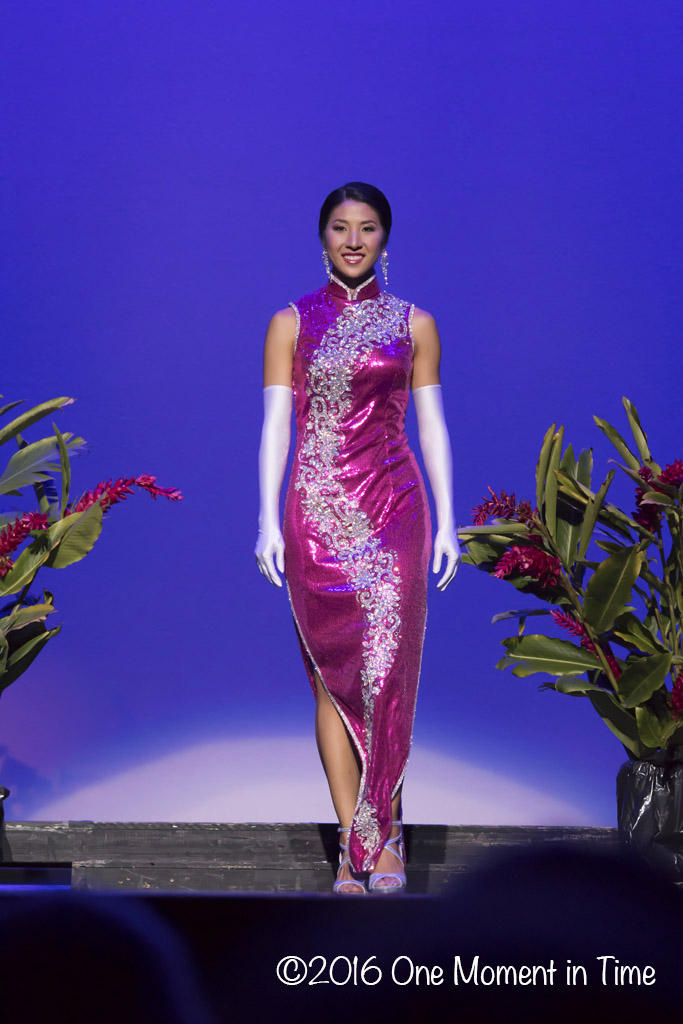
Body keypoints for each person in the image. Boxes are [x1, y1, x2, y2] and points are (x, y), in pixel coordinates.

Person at [255, 182, 460, 894]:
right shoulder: (289, 322)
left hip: (396, 510)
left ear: (384, 239)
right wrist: (265, 520)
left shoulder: (415, 324)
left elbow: (431, 425)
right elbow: (275, 428)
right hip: (315, 516)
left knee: (387, 676)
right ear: (322, 237)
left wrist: (449, 521)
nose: (353, 240)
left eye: (367, 228)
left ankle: (387, 834)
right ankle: (353, 842)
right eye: (340, 227)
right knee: (330, 679)